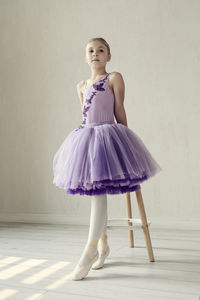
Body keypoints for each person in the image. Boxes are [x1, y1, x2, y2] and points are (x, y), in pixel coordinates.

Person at [52, 37, 162, 280]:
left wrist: (126, 146)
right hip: (86, 139)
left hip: (109, 136)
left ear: (108, 56)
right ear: (85, 57)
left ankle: (89, 251)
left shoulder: (114, 78)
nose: (95, 54)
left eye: (101, 50)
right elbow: (84, 114)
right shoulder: (80, 85)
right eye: (90, 51)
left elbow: (119, 109)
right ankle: (102, 247)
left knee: (98, 193)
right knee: (95, 191)